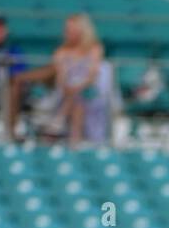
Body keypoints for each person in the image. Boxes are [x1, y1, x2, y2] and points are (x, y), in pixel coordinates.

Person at [11, 12, 110, 144]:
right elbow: (61, 78)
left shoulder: (95, 48)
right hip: (67, 94)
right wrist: (69, 87)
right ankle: (73, 143)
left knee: (77, 95)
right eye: (67, 29)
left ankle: (59, 120)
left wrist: (76, 87)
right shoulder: (61, 51)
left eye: (71, 29)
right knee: (76, 103)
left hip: (89, 91)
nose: (67, 32)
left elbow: (92, 76)